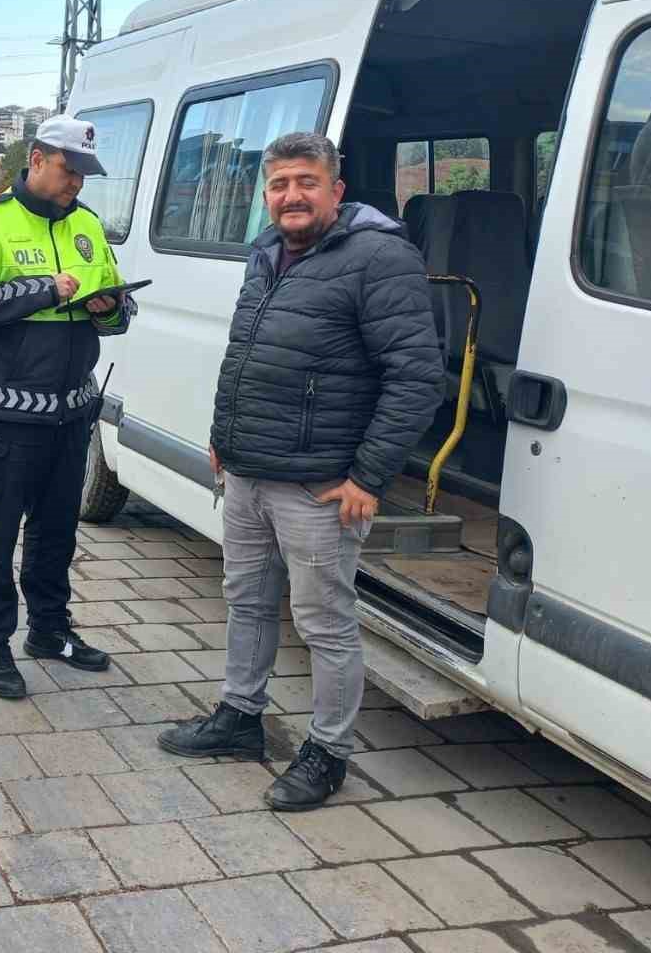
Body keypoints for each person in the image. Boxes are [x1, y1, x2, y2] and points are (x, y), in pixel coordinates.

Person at [156, 131, 441, 811]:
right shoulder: (268, 255)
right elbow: (246, 354)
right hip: (250, 472)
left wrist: (368, 477)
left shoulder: (379, 258)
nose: (291, 196)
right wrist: (225, 438)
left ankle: (328, 751)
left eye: (306, 183)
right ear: (267, 194)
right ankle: (240, 717)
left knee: (324, 621)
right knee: (248, 601)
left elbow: (417, 377)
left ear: (335, 191)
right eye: (279, 184)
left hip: (320, 484)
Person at [0, 116, 136, 699]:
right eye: (68, 169)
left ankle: (50, 632)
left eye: (85, 173)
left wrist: (108, 306)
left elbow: (118, 314)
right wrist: (48, 290)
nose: (77, 183)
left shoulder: (87, 227)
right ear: (36, 159)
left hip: (73, 409)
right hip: (5, 414)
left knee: (57, 531)